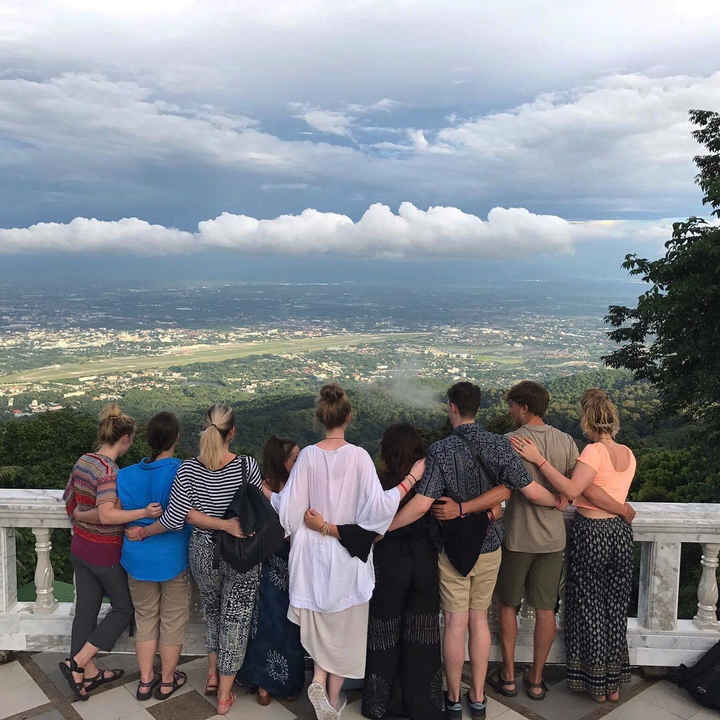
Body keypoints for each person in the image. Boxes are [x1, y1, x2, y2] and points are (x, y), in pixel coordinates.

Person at [389, 382, 566, 720]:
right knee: (479, 621)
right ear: (478, 408)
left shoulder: (440, 450)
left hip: (452, 549)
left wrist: (383, 529)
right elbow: (525, 490)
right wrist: (559, 500)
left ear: (452, 407)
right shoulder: (500, 445)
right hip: (488, 544)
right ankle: (480, 697)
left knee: (455, 624)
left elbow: (421, 505)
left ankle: (454, 699)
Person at [267, 384, 423, 720]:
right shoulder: (359, 457)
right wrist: (411, 478)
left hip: (310, 557)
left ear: (320, 418)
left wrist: (269, 494)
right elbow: (380, 508)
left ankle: (319, 680)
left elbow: (288, 512)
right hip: (345, 558)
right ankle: (332, 696)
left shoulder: (307, 455)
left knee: (323, 626)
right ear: (348, 418)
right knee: (346, 631)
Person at [304, 423, 445, 720]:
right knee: (422, 631)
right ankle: (424, 704)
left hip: (389, 559)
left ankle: (381, 703)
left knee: (384, 631)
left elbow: (364, 525)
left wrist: (330, 528)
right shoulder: (430, 474)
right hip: (423, 558)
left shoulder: (378, 482)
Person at [126, 403, 259, 716]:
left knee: (213, 612)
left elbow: (178, 516)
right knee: (235, 621)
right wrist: (228, 524)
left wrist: (143, 534)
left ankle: (212, 676)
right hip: (240, 552)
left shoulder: (188, 469)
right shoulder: (245, 466)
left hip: (202, 551)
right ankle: (224, 696)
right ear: (233, 432)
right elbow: (257, 510)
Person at [510, 388, 636, 704]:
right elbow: (596, 490)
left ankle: (595, 684)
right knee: (615, 609)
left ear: (588, 422)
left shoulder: (593, 452)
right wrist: (621, 509)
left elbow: (573, 488)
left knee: (590, 606)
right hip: (620, 533)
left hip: (593, 532)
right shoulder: (627, 453)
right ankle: (613, 684)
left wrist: (538, 459)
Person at [61, 404, 163, 701]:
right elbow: (107, 515)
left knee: (86, 613)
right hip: (104, 554)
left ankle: (86, 675)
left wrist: (80, 517)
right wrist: (142, 511)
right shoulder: (108, 471)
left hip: (80, 548)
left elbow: (70, 500)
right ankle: (77, 663)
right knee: (123, 609)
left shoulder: (84, 461)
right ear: (126, 438)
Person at [118, 411, 191, 701]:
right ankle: (167, 680)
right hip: (173, 558)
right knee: (172, 621)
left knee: (145, 618)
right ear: (176, 438)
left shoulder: (126, 474)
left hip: (136, 558)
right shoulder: (182, 471)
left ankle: (146, 680)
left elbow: (120, 511)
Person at [235, 435, 305, 705]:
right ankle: (287, 685)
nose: (300, 463)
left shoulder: (261, 486)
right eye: (295, 459)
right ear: (282, 461)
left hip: (265, 564)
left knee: (265, 623)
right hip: (291, 564)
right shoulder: (296, 490)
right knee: (290, 625)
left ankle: (263, 684)